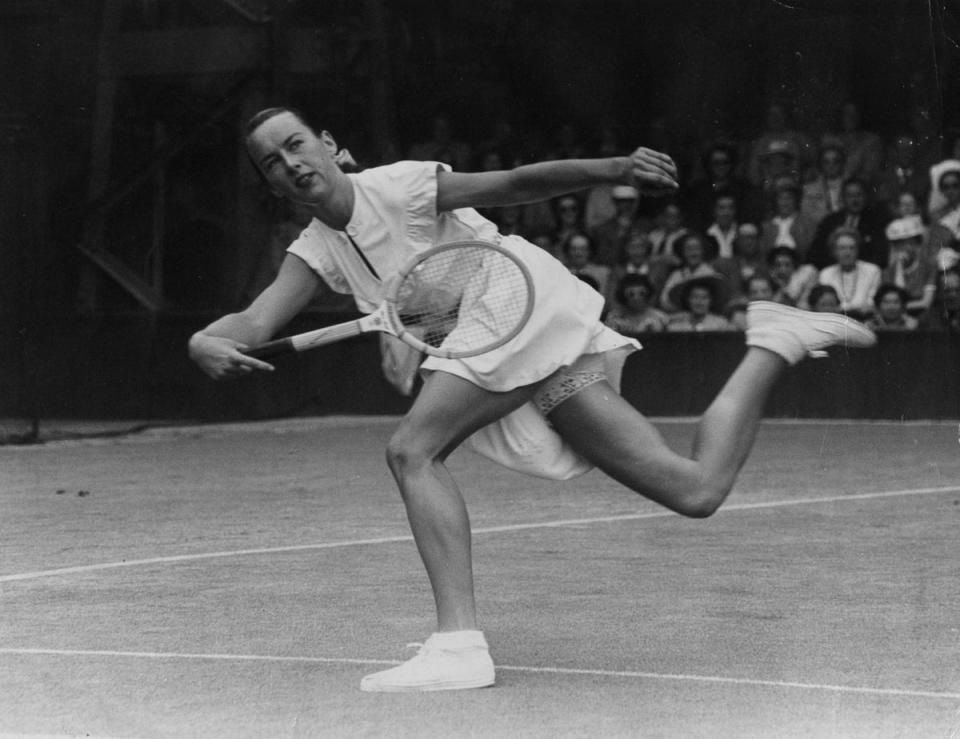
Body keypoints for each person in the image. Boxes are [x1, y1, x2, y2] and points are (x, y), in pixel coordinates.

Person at [189, 107, 876, 693]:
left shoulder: (397, 187)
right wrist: (204, 340)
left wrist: (614, 167)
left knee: (412, 451)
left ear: (330, 145)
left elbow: (518, 184)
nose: (290, 162)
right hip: (513, 348)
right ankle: (774, 342)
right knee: (695, 488)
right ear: (272, 185)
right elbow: (254, 323)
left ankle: (458, 644)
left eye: (296, 143)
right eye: (272, 161)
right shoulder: (316, 249)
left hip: (511, 297)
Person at [808, 177, 890, 270]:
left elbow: (880, 255)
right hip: (831, 270)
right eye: (850, 195)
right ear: (843, 198)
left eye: (859, 195)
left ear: (865, 197)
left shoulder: (875, 222)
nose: (855, 200)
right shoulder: (830, 221)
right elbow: (816, 251)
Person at [817, 226, 882, 320]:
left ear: (858, 250)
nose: (847, 253)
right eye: (842, 248)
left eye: (852, 248)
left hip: (864, 319)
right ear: (834, 251)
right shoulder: (826, 274)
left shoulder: (872, 271)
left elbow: (871, 303)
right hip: (835, 320)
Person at [760, 182, 817, 262]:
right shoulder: (767, 226)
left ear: (795, 200)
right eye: (780, 198)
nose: (784, 203)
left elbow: (810, 252)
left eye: (789, 198)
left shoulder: (808, 223)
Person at [603, 273, 669, 335]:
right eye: (631, 294)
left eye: (642, 293)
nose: (636, 298)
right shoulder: (614, 317)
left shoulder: (659, 317)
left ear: (648, 295)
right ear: (622, 296)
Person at [665, 275, 736, 332]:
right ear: (687, 300)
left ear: (711, 300)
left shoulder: (722, 325)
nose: (699, 302)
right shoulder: (676, 327)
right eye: (695, 297)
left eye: (704, 298)